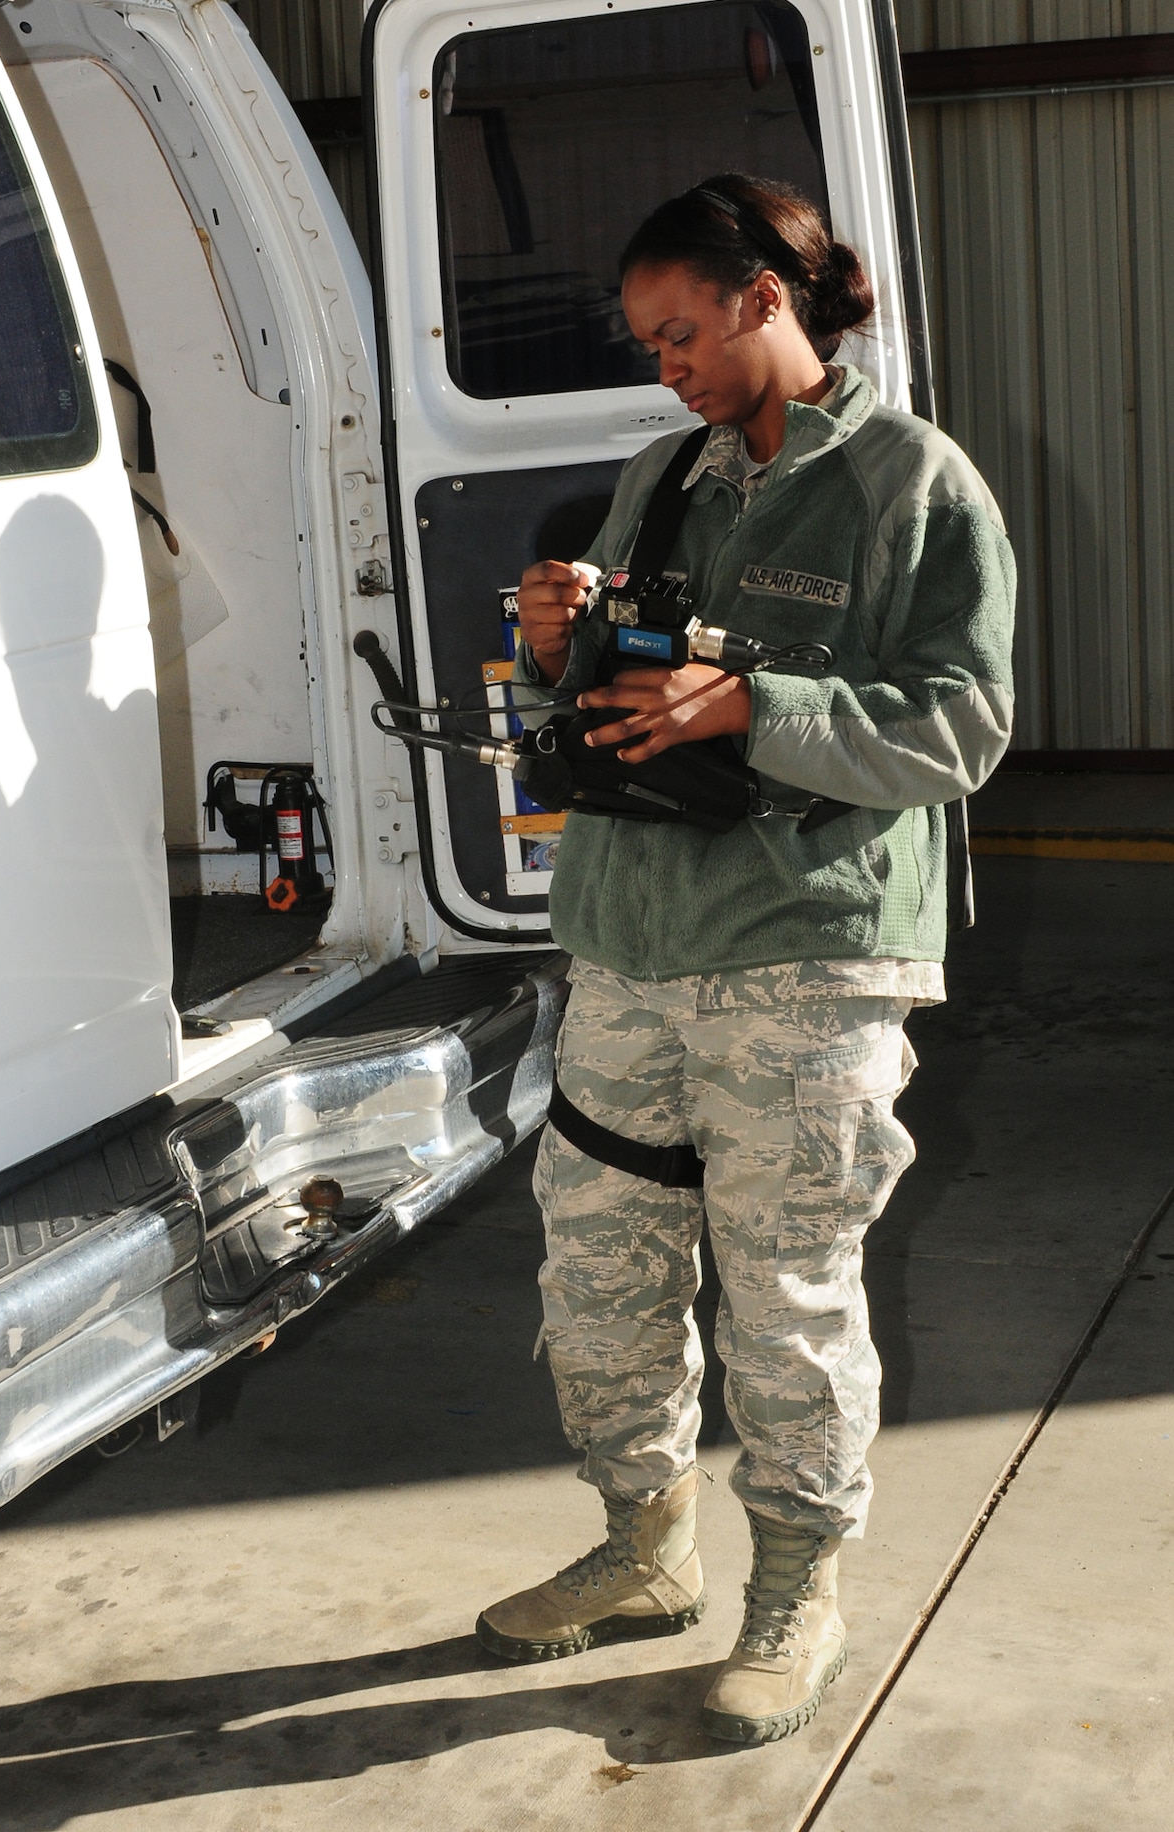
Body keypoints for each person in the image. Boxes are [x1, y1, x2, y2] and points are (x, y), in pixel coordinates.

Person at [476, 174, 1016, 1744]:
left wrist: (756, 708)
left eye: (681, 334)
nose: (667, 370)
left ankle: (796, 1589)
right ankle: (641, 1549)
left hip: (805, 952)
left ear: (768, 300)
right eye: (647, 348)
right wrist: (554, 645)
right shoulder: (664, 477)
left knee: (784, 1292)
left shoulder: (910, 482)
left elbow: (961, 726)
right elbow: (606, 703)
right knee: (597, 1275)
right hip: (633, 943)